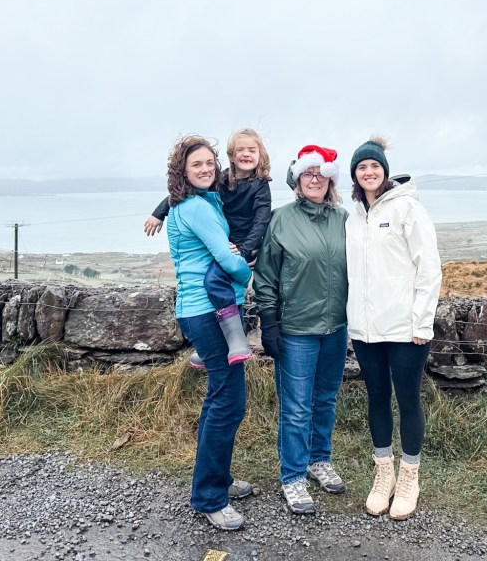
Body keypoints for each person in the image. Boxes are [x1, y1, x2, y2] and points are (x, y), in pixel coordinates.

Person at [345, 136, 442, 521]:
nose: (369, 172)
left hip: (405, 329)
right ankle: (383, 474)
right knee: (377, 398)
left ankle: (409, 478)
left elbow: (428, 267)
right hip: (365, 330)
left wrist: (422, 322)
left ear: (384, 171)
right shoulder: (353, 217)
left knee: (408, 399)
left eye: (375, 166)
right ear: (354, 175)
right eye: (362, 167)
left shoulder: (407, 208)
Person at [252, 145, 350, 515]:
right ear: (297, 179)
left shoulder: (344, 220)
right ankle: (293, 475)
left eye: (321, 174)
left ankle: (318, 460)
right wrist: (269, 322)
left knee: (325, 400)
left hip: (335, 328)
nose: (315, 179)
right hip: (295, 330)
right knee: (296, 408)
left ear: (331, 180)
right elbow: (266, 275)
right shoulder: (281, 219)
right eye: (308, 173)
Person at [164, 135, 255, 531]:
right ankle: (209, 497)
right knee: (229, 402)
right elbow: (226, 260)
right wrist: (247, 274)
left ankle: (217, 477)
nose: (204, 169)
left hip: (202, 311)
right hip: (208, 313)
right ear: (183, 172)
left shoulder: (194, 203)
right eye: (195, 164)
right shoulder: (197, 208)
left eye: (208, 163)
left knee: (219, 398)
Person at [146, 128, 273, 366]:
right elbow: (179, 192)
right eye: (240, 150)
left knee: (216, 281)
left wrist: (246, 250)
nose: (246, 154)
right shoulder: (223, 179)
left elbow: (261, 220)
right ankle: (221, 345)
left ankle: (233, 341)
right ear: (231, 156)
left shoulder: (260, 185)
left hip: (243, 244)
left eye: (252, 150)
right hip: (227, 242)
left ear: (261, 155)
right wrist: (159, 213)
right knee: (215, 282)